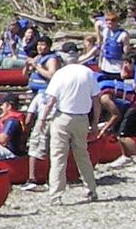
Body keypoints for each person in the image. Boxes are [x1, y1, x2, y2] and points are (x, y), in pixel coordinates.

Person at [37, 40, 101, 204]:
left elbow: (51, 101)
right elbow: (96, 100)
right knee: (83, 155)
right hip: (82, 118)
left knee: (58, 157)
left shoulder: (60, 74)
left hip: (62, 117)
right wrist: (95, 122)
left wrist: (43, 119)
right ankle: (91, 189)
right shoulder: (88, 73)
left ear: (64, 56)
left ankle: (56, 195)